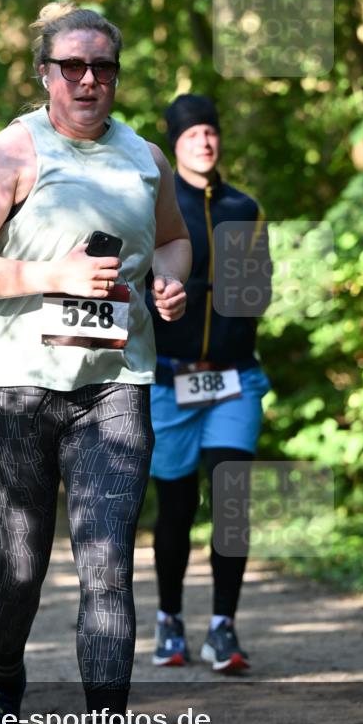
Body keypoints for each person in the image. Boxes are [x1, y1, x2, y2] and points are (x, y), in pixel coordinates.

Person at [0, 1, 191, 724]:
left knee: (107, 570)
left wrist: (170, 279)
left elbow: (175, 237)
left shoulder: (145, 156)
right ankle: (4, 679)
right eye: (72, 66)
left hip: (114, 387)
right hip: (15, 384)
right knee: (21, 565)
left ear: (116, 73)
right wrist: (50, 278)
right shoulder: (14, 149)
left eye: (103, 67)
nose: (88, 80)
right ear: (45, 73)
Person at [148, 94, 271, 675]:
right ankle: (169, 618)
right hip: (169, 384)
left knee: (231, 499)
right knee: (174, 508)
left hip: (234, 380)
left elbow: (255, 295)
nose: (204, 140)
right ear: (174, 142)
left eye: (211, 132)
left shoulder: (244, 208)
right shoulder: (155, 205)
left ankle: (223, 626)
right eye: (193, 133)